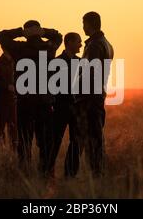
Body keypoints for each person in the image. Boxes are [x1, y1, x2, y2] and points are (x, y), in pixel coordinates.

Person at [0, 20, 62, 178]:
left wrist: (21, 32)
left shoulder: (18, 48)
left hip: (25, 101)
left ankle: (24, 173)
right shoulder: (49, 48)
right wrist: (43, 31)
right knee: (45, 141)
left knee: (25, 140)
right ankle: (46, 173)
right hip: (45, 101)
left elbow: (1, 36)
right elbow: (58, 36)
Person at [74, 12, 114, 177]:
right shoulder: (106, 43)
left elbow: (91, 71)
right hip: (97, 95)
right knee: (96, 136)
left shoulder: (95, 45)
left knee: (91, 139)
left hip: (89, 98)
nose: (83, 27)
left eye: (84, 23)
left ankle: (95, 175)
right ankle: (97, 174)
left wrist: (76, 90)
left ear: (90, 23)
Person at [50, 32, 82, 178]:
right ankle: (47, 172)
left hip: (77, 109)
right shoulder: (55, 62)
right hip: (60, 108)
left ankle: (70, 175)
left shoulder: (82, 63)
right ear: (69, 42)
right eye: (78, 42)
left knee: (76, 141)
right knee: (54, 141)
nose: (81, 45)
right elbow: (49, 86)